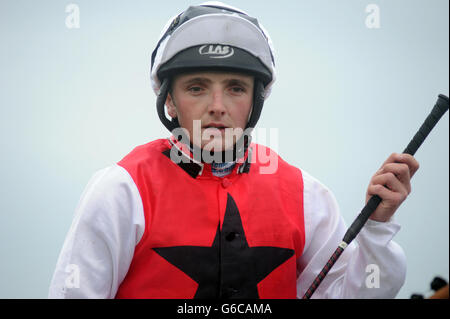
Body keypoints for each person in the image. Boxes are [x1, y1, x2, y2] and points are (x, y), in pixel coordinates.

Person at [48, 2, 419, 299]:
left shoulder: (306, 195)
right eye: (196, 87)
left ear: (256, 101)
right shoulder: (120, 189)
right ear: (170, 102)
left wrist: (375, 229)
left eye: (236, 88)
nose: (217, 106)